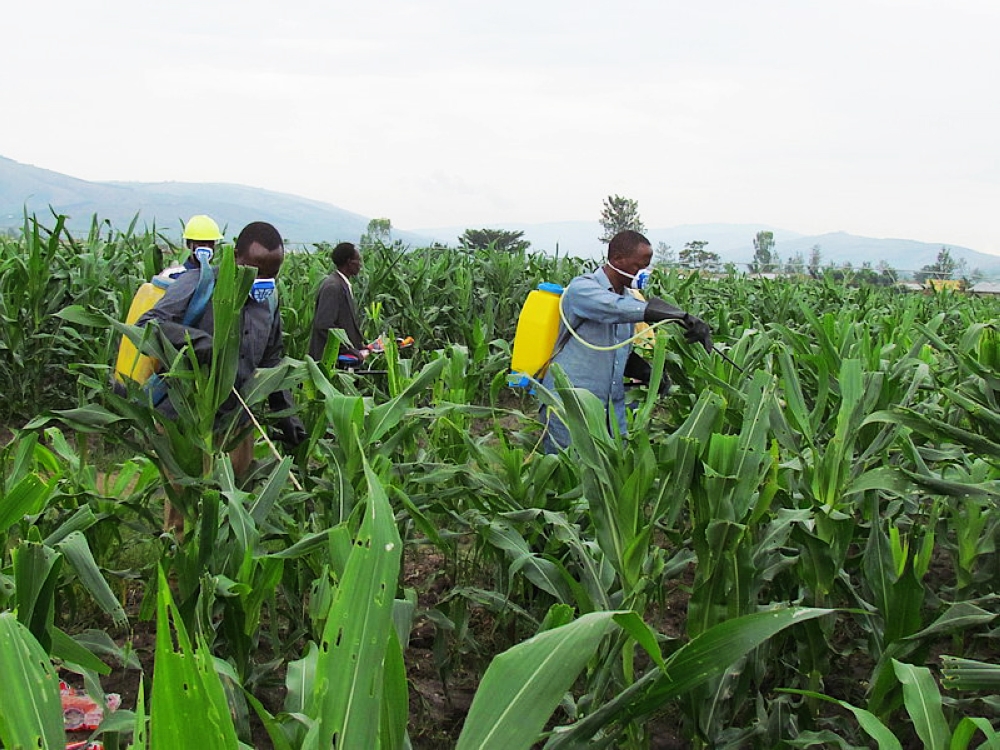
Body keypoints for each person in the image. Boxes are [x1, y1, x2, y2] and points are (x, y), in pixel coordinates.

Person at [137, 221, 306, 533]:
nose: (265, 280)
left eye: (273, 272)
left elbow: (272, 357)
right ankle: (179, 574)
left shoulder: (269, 300)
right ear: (236, 258)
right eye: (258, 270)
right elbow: (150, 324)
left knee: (233, 502)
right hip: (186, 417)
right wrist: (197, 342)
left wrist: (285, 414)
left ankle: (222, 571)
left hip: (235, 423)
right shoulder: (200, 284)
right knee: (184, 510)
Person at [540, 230, 712, 453]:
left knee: (614, 471)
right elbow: (614, 308)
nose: (642, 273)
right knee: (569, 473)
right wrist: (679, 316)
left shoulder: (629, 299)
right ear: (617, 259)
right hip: (571, 402)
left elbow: (619, 352)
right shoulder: (582, 289)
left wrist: (650, 374)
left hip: (612, 409)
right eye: (638, 266)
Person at [308, 241, 368, 364]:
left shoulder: (341, 284)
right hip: (329, 362)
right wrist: (349, 350)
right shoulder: (333, 287)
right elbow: (324, 325)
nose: (360, 265)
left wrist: (360, 347)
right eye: (358, 260)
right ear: (349, 262)